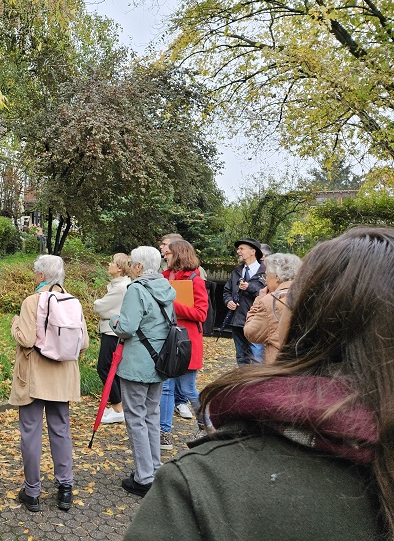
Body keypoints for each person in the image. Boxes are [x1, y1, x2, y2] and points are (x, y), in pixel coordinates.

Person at [125, 227, 393, 540]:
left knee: (185, 388)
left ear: (305, 311)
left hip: (192, 344)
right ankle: (169, 430)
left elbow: (200, 311)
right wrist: (229, 299)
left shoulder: (201, 483)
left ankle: (193, 423)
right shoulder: (206, 276)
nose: (239, 252)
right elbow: (224, 296)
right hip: (221, 334)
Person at [10, 255, 89, 512]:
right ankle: (65, 488)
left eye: (35, 273)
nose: (34, 276)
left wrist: (14, 325)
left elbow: (26, 339)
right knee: (61, 430)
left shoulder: (32, 302)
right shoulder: (72, 301)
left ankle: (32, 491)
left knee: (30, 432)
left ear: (42, 275)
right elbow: (84, 343)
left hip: (35, 375)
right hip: (63, 377)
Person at [110, 246, 174, 497]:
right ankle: (154, 469)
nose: (129, 268)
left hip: (138, 364)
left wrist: (114, 320)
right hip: (161, 361)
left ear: (139, 267)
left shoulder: (136, 289)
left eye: (132, 264)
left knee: (136, 418)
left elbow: (126, 327)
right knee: (151, 416)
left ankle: (144, 477)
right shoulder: (167, 288)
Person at [159, 240, 209, 449]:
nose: (165, 256)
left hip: (187, 343)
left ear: (178, 254)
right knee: (166, 388)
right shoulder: (164, 277)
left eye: (168, 253)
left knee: (188, 387)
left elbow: (201, 314)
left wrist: (174, 306)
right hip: (168, 340)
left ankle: (206, 424)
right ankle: (164, 432)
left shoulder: (196, 279)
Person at [93, 253, 132, 424]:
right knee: (112, 370)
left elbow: (100, 306)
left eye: (113, 262)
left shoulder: (121, 287)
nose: (109, 264)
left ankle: (118, 407)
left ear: (120, 268)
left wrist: (99, 304)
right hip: (112, 330)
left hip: (112, 332)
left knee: (105, 368)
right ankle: (119, 405)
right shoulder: (118, 285)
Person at [244, 252, 301, 364]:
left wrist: (259, 300)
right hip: (305, 368)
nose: (265, 281)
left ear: (277, 277)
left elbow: (250, 333)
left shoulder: (270, 301)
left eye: (266, 275)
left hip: (279, 366)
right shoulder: (311, 295)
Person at [223, 238, 266, 365]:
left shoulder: (266, 273)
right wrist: (228, 301)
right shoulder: (236, 271)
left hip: (257, 321)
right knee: (241, 358)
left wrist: (249, 287)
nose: (238, 252)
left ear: (253, 251)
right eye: (238, 249)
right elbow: (227, 291)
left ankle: (258, 384)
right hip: (237, 322)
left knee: (257, 359)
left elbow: (267, 294)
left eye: (241, 249)